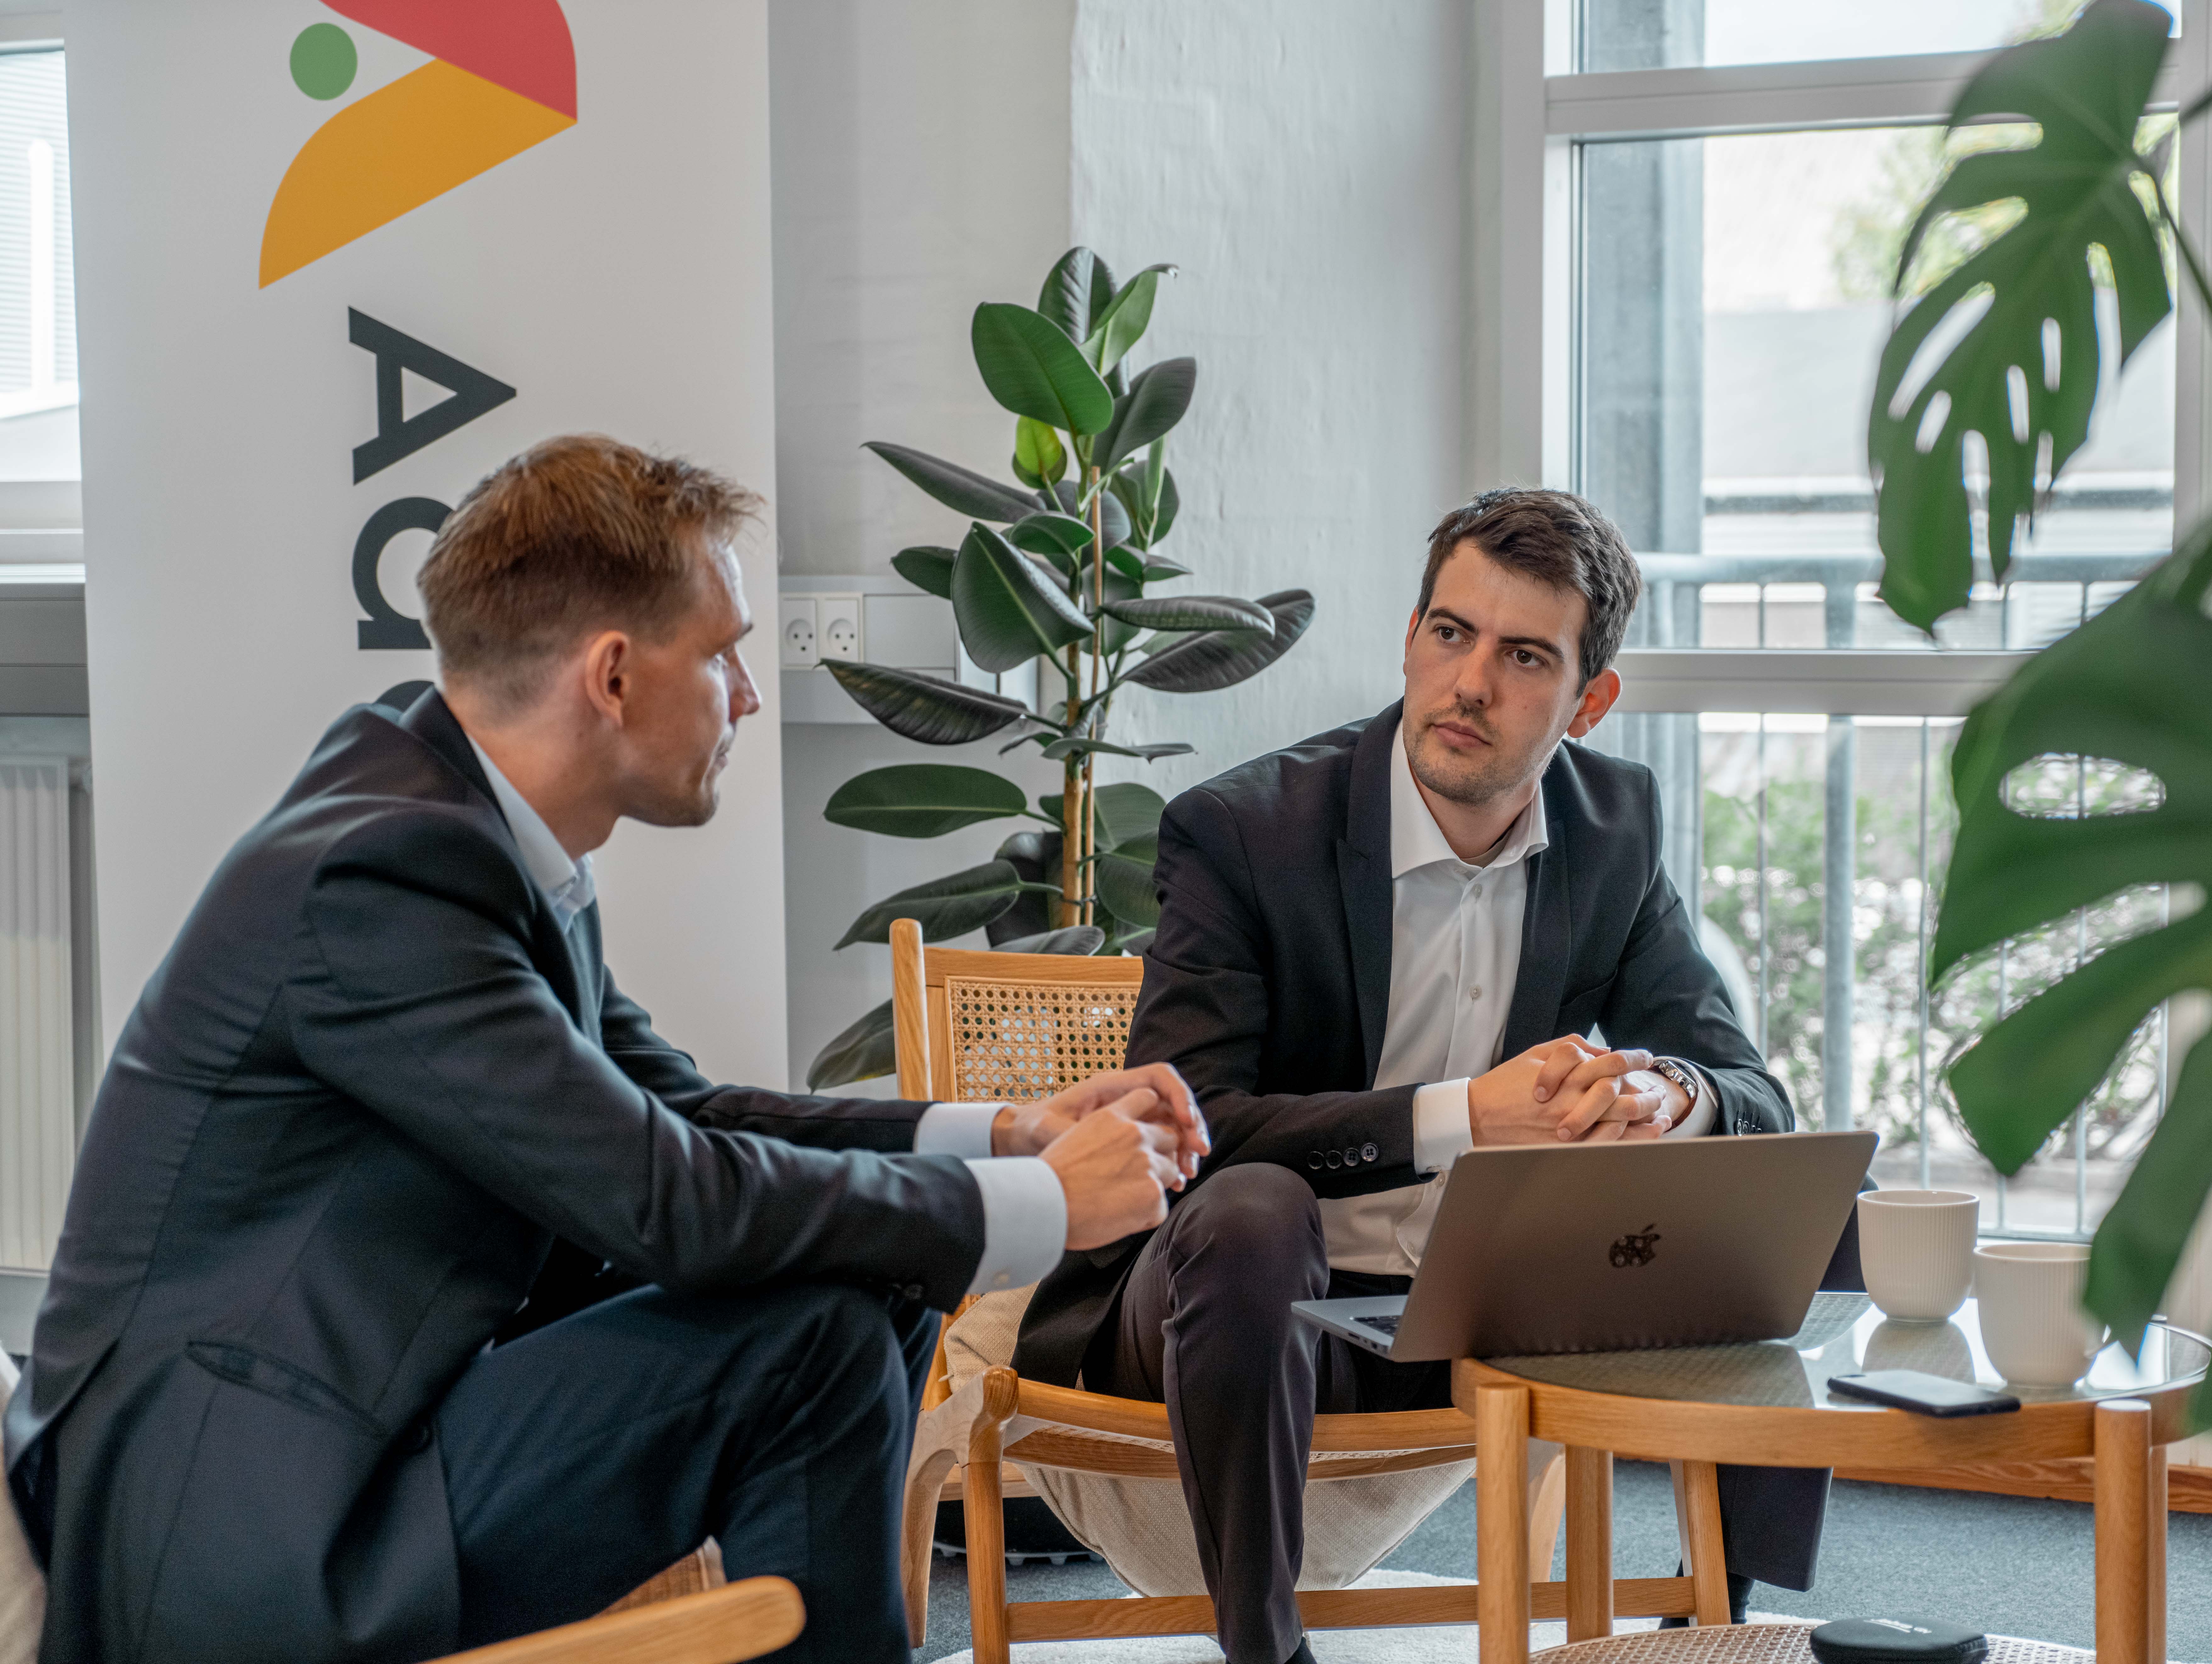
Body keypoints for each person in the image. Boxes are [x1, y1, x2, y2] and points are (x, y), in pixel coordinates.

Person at [0, 435, 1209, 1664]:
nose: (745, 695)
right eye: (726, 653)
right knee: (811, 1346)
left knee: (857, 1285)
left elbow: (680, 1112)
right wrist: (1037, 1206)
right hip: (244, 1525)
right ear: (615, 675)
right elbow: (669, 1201)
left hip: (366, 1437)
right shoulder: (384, 872)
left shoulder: (465, 826)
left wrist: (1001, 1133)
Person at [1013, 487, 1826, 1664]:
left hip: (1476, 1315)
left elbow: (1751, 1093)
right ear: (1409, 636)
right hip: (1235, 1310)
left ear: (1588, 702)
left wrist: (1667, 1095)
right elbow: (1180, 1129)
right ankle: (1264, 1651)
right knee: (1252, 1207)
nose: (1470, 684)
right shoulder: (1242, 832)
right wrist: (1465, 1117)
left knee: (1795, 1180)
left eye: (1524, 655)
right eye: (1450, 633)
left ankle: (1722, 1624)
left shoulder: (1615, 833)